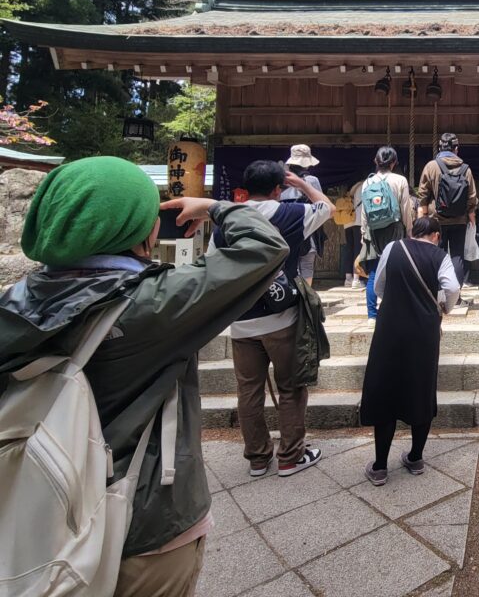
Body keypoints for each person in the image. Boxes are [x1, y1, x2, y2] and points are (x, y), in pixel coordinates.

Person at [0, 156, 289, 596]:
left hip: (36, 513)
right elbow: (265, 248)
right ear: (143, 230)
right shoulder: (153, 304)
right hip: (143, 520)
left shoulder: (14, 304)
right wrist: (215, 206)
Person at [209, 160, 335, 478]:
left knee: (248, 390)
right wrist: (304, 184)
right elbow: (327, 208)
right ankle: (290, 456)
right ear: (279, 188)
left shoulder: (228, 222)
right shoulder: (290, 215)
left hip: (241, 320)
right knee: (291, 387)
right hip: (282, 318)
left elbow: (212, 263)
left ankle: (257, 458)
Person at [360, 216, 460, 486]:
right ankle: (415, 457)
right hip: (424, 331)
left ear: (412, 232)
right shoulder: (440, 255)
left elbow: (379, 284)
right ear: (436, 235)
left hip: (390, 328)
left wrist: (393, 298)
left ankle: (380, 467)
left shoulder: (394, 247)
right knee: (421, 388)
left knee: (385, 391)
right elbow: (452, 287)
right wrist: (444, 307)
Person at [360, 147, 414, 325]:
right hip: (395, 227)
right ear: (394, 163)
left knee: (374, 271)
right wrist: (409, 231)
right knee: (396, 268)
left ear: (376, 161)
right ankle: (394, 310)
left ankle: (371, 315)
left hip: (374, 230)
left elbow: (364, 212)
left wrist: (363, 233)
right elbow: (405, 208)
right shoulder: (400, 180)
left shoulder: (367, 182)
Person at [417, 133, 478, 280]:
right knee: (457, 256)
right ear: (456, 149)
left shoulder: (431, 167)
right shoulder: (465, 169)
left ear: (439, 147)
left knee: (437, 254)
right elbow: (472, 197)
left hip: (436, 220)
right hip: (459, 220)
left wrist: (423, 217)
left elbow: (423, 194)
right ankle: (455, 294)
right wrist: (472, 217)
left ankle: (439, 293)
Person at [280, 144, 324, 286]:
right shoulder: (312, 181)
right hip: (306, 227)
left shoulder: (281, 180)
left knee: (286, 265)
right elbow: (321, 204)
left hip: (284, 228)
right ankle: (305, 298)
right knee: (306, 266)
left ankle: (288, 295)